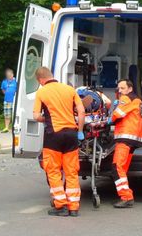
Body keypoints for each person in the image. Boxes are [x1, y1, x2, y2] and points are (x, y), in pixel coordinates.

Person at [33, 67, 85, 217]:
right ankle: (74, 207)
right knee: (71, 171)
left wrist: (46, 118)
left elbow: (36, 116)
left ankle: (60, 206)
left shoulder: (41, 92)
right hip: (72, 134)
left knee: (54, 170)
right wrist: (80, 131)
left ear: (40, 80)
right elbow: (81, 112)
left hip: (53, 135)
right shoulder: (69, 89)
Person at [108, 79, 142, 208]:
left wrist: (111, 116)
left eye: (122, 88)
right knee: (122, 168)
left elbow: (116, 115)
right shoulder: (137, 100)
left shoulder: (125, 98)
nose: (120, 91)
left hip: (125, 137)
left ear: (130, 89)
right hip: (135, 138)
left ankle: (126, 197)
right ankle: (125, 195)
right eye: (118, 88)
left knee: (117, 167)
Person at [0, 68, 17, 133]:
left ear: (13, 74)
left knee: (15, 114)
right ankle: (6, 128)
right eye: (8, 74)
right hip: (7, 100)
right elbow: (3, 89)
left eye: (10, 74)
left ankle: (14, 127)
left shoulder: (16, 81)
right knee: (7, 114)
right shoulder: (4, 81)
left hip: (15, 101)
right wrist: (7, 93)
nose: (9, 75)